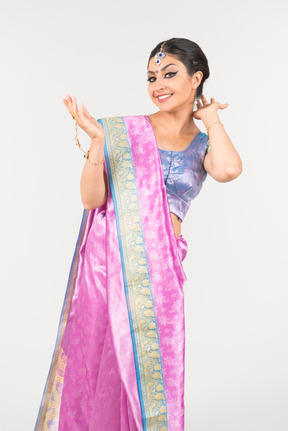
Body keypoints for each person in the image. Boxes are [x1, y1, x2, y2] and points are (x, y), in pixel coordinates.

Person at [34, 38, 242, 431]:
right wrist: (97, 141)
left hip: (162, 272)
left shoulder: (203, 143)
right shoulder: (122, 132)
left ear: (196, 78)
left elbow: (228, 170)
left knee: (156, 370)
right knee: (101, 362)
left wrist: (212, 118)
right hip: (108, 267)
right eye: (151, 77)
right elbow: (91, 198)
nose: (158, 84)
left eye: (169, 74)